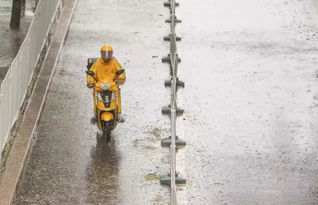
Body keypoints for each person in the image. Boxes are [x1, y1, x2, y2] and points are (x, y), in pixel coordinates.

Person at [86, 45, 126, 123]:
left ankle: (119, 113)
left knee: (118, 92)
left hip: (112, 85)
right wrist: (90, 82)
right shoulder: (97, 63)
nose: (106, 56)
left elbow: (120, 70)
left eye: (108, 53)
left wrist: (120, 79)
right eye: (104, 53)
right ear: (101, 53)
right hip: (99, 85)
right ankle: (95, 113)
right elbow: (91, 72)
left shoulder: (114, 62)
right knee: (95, 94)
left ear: (111, 54)